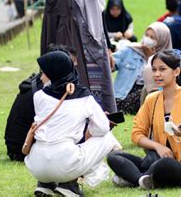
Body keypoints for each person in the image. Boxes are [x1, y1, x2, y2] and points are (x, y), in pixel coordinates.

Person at [107, 50, 181, 189]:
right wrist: (158, 146)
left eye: (162, 69)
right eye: (154, 70)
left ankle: (134, 177)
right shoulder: (152, 99)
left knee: (164, 165)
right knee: (114, 157)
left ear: (176, 71)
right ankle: (143, 180)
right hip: (157, 157)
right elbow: (137, 134)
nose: (157, 74)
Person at [24, 51, 121, 196]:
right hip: (65, 162)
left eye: (44, 72)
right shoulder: (84, 97)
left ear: (53, 73)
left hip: (36, 164)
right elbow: (102, 128)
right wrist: (89, 131)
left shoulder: (39, 96)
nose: (41, 76)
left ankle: (45, 184)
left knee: (57, 142)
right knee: (107, 137)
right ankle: (69, 185)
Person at [41, 0, 116, 113]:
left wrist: (108, 47)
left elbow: (100, 15)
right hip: (79, 45)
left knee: (99, 90)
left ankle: (99, 125)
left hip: (98, 46)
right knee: (82, 88)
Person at [4, 44, 78, 162]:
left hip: (16, 147)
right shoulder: (44, 91)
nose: (73, 71)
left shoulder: (37, 83)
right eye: (70, 65)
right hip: (23, 150)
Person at [113, 22, 172, 114]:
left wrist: (151, 58)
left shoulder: (167, 60)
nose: (148, 39)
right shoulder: (130, 50)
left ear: (162, 40)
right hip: (121, 95)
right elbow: (110, 65)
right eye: (147, 35)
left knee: (146, 91)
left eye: (152, 38)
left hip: (144, 96)